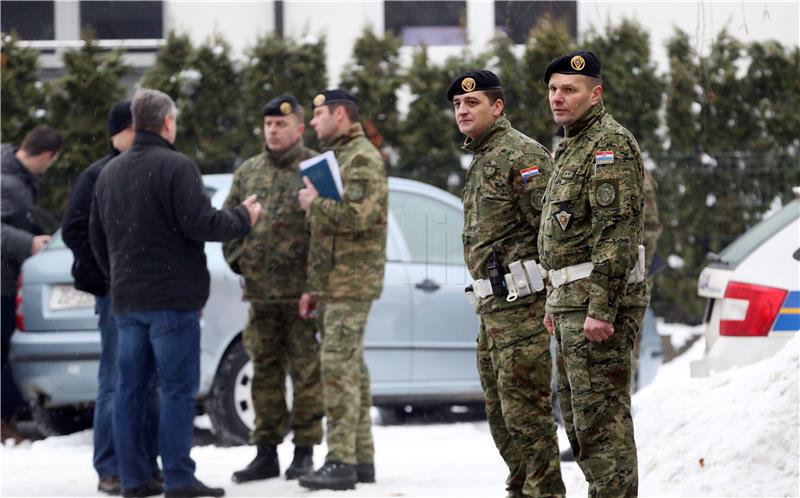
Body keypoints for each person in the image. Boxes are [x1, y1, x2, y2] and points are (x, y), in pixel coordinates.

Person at [89, 88, 261, 498]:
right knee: (176, 390)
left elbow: (97, 238)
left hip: (127, 302)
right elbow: (202, 223)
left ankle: (133, 479)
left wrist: (118, 278)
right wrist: (245, 216)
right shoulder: (176, 166)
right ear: (167, 122)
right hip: (171, 302)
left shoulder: (109, 173)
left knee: (130, 390)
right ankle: (179, 478)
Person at [447, 70, 565, 498]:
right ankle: (522, 489)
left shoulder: (522, 155)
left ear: (497, 107)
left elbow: (554, 233)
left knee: (527, 418)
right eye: (458, 105)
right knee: (500, 417)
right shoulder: (483, 157)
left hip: (524, 309)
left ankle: (546, 492)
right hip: (492, 312)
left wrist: (555, 300)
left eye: (472, 103)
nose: (462, 110)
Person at [538, 50, 649, 497]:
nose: (558, 98)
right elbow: (565, 238)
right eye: (553, 89)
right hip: (570, 303)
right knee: (582, 426)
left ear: (595, 93)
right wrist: (553, 299)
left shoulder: (609, 145)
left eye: (570, 89)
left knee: (602, 426)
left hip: (596, 308)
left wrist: (601, 308)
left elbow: (616, 232)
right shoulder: (571, 145)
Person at [61, 101, 160, 494]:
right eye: (133, 128)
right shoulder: (98, 174)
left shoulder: (147, 168)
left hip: (146, 294)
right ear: (118, 132)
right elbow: (74, 229)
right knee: (116, 379)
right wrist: (110, 272)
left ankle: (143, 462)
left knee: (147, 381)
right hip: (113, 293)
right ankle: (109, 467)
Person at [223, 95, 324, 483]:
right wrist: (241, 261)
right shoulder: (249, 172)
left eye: (280, 124)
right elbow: (230, 223)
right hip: (261, 295)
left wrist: (315, 285)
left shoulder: (315, 168)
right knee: (263, 371)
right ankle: (265, 451)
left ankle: (304, 452)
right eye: (267, 124)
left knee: (306, 374)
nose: (272, 130)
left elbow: (328, 232)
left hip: (302, 297)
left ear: (299, 127)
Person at [296, 89, 387, 491]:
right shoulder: (340, 157)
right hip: (335, 282)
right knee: (351, 369)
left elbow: (359, 217)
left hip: (353, 281)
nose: (313, 122)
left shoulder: (362, 157)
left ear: (339, 114)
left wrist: (314, 204)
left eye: (318, 114)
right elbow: (327, 238)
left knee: (337, 368)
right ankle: (361, 458)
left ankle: (340, 461)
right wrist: (315, 286)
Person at [1, 125, 62, 442]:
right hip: (3, 284)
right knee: (5, 354)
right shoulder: (8, 181)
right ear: (48, 156)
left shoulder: (15, 177)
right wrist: (29, 244)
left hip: (10, 281)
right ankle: (3, 423)